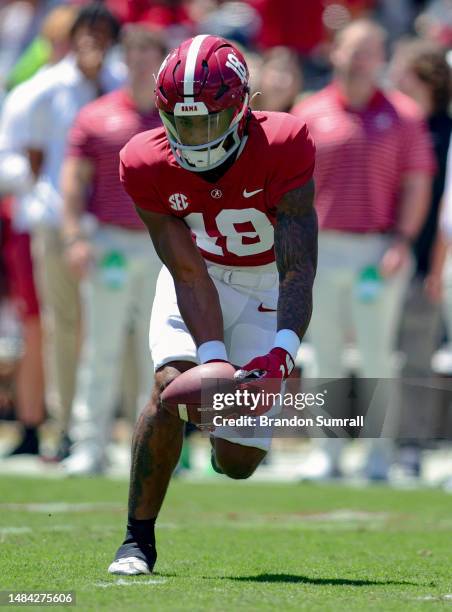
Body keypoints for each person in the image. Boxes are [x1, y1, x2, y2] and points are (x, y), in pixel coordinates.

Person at [108, 34, 317, 575]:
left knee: (238, 461)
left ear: (243, 108)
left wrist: (284, 353)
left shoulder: (286, 141)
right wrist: (213, 354)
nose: (195, 136)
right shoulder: (143, 161)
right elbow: (186, 269)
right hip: (200, 278)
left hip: (270, 285)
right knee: (170, 386)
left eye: (207, 121)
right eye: (183, 122)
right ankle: (137, 541)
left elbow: (298, 268)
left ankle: (221, 426)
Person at [292, 20, 435, 480]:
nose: (360, 59)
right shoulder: (309, 111)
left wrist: (402, 241)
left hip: (378, 248)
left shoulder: (404, 114)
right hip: (323, 246)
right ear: (335, 52)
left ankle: (378, 455)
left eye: (370, 51)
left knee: (377, 358)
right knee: (325, 354)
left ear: (382, 59)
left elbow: (417, 182)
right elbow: (291, 185)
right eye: (353, 49)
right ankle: (327, 453)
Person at [0, 2, 122, 460]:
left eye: (100, 33)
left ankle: (113, 427)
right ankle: (67, 426)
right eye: (84, 33)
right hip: (56, 223)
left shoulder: (123, 86)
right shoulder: (42, 90)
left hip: (114, 226)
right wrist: (37, 183)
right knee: (63, 329)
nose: (92, 42)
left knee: (116, 331)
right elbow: (10, 154)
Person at [60, 25, 167, 475]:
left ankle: (157, 446)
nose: (140, 60)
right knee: (101, 348)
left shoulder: (178, 117)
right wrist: (74, 236)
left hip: (163, 244)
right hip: (109, 243)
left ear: (163, 60)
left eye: (149, 52)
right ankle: (90, 444)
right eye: (133, 51)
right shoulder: (96, 115)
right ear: (122, 59)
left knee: (159, 353)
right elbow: (73, 180)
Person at [389, 38, 452, 475]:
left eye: (403, 72)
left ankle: (409, 446)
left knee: (416, 357)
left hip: (429, 263)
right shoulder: (388, 124)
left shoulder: (445, 132)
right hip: (382, 257)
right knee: (375, 357)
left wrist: (434, 261)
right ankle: (367, 446)